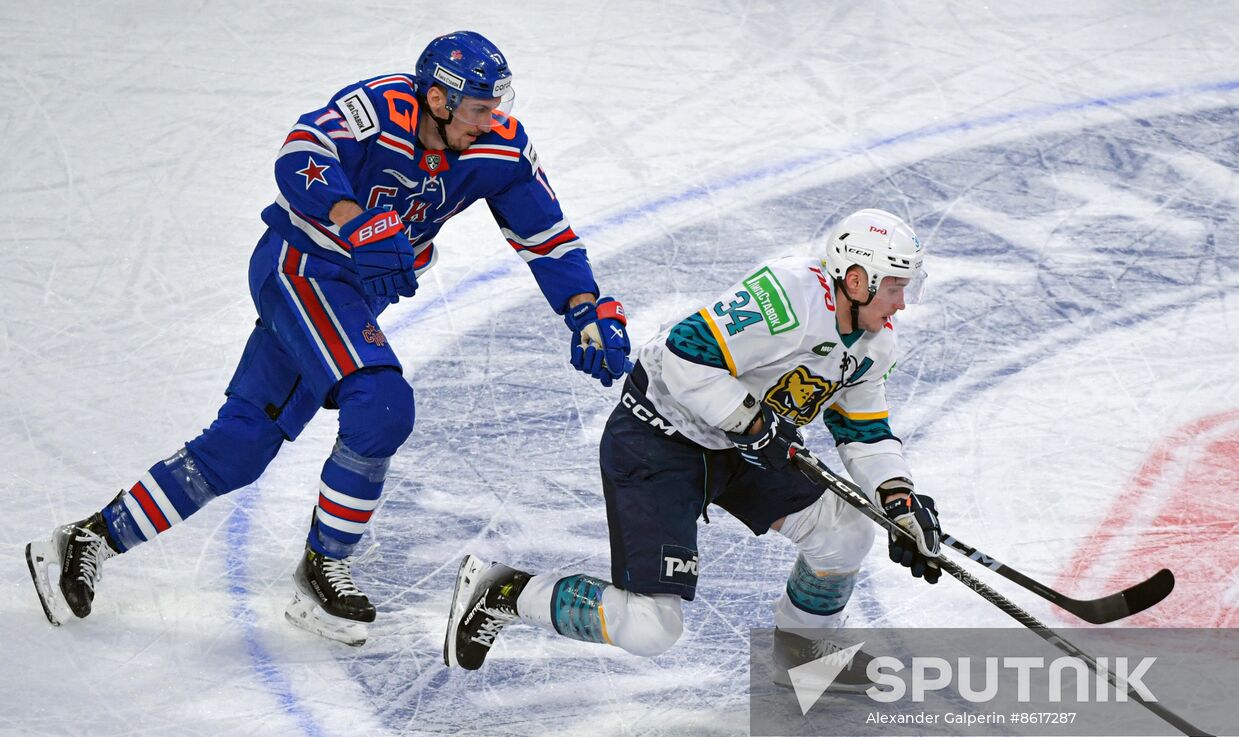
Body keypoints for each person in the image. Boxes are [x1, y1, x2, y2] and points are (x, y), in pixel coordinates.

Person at [24, 31, 632, 647]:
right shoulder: (379, 108)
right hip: (302, 269)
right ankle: (323, 567)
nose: (492, 119)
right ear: (440, 100)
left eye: (496, 106)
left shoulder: (499, 147)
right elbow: (299, 152)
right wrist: (352, 219)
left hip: (354, 295)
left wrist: (584, 309)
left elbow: (547, 235)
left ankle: (90, 537)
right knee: (383, 406)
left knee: (242, 444)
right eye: (479, 107)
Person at [444, 208, 942, 688]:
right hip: (659, 441)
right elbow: (685, 356)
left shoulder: (874, 343)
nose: (901, 304)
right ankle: (501, 590)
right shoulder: (788, 296)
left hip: (741, 444)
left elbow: (864, 430)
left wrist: (897, 500)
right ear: (857, 281)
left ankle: (802, 661)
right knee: (650, 627)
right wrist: (753, 425)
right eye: (897, 288)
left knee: (847, 531)